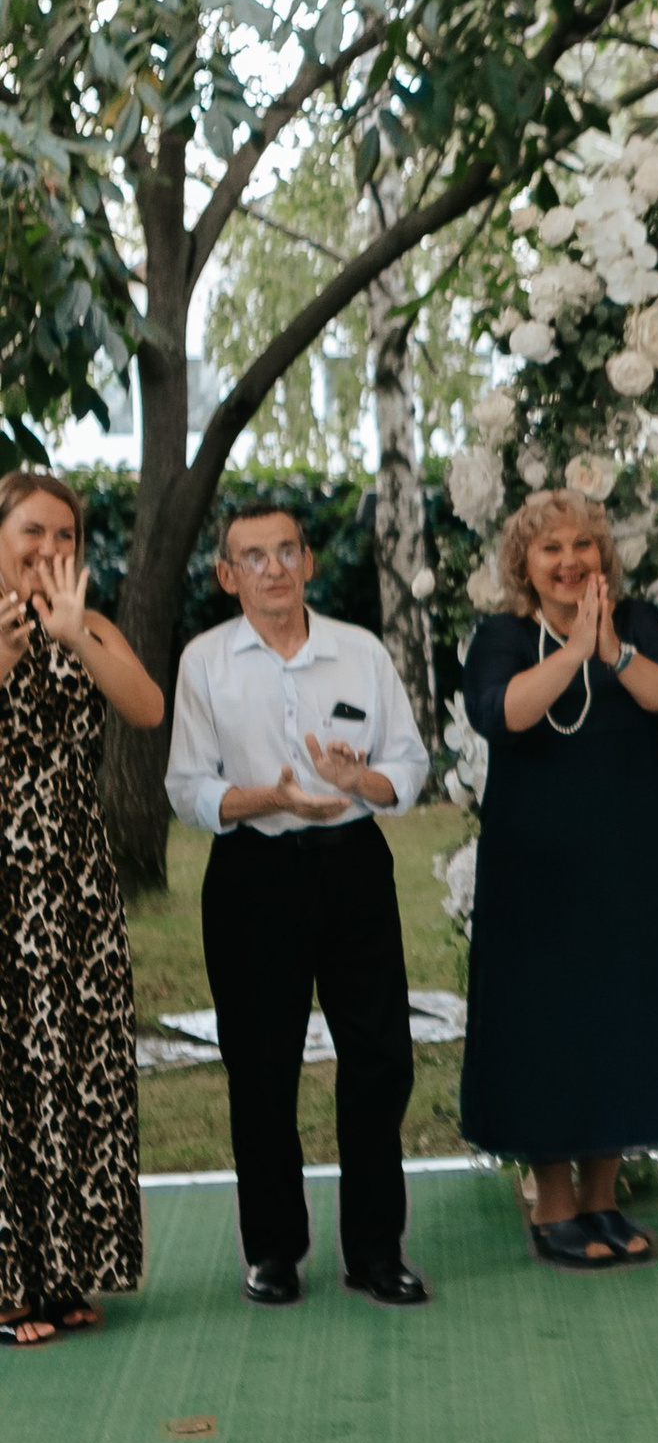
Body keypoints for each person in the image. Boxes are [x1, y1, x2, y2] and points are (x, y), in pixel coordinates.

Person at [167, 501, 432, 1310]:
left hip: (353, 867)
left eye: (287, 551)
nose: (273, 568)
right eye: (254, 556)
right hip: (253, 875)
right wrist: (265, 797)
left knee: (380, 1058)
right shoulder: (204, 661)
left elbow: (409, 767)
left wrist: (358, 783)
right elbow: (188, 787)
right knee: (261, 1064)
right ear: (226, 575)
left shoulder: (359, 652)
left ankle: (376, 1250)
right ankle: (274, 1250)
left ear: (309, 562)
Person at [459, 492, 658, 1265]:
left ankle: (601, 1199)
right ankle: (554, 1206)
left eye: (583, 546)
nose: (570, 560)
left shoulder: (635, 626)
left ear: (603, 557)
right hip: (536, 875)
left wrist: (613, 653)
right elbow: (500, 714)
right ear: (524, 566)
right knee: (548, 1026)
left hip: (629, 864)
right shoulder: (503, 635)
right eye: (551, 550)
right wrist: (571, 651)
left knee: (621, 1020)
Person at [0, 471, 164, 1344]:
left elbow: (145, 707)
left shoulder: (87, 625)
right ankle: (3, 1285)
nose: (50, 549)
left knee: (73, 1068)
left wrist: (74, 637)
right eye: (33, 532)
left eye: (65, 535)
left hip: (74, 887)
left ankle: (59, 1270)